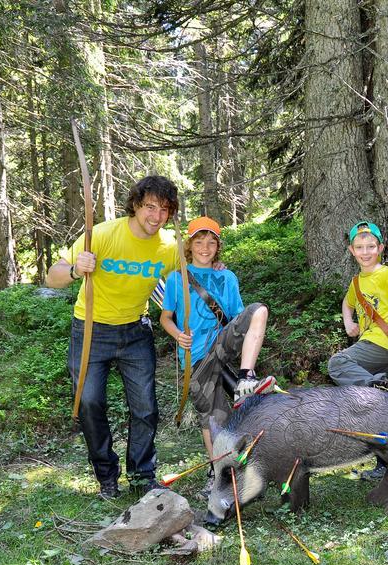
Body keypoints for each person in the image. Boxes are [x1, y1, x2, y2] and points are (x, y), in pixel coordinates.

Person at [46, 175, 180, 499]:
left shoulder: (170, 248)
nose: (156, 216)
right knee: (89, 403)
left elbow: (189, 283)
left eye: (163, 209)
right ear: (135, 205)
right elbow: (53, 278)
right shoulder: (102, 235)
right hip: (91, 330)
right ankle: (107, 476)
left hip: (136, 330)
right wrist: (77, 269)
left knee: (146, 407)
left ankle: (142, 476)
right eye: (149, 206)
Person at [160, 216, 274, 460]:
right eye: (199, 242)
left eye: (212, 243)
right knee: (212, 418)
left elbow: (239, 317)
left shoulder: (227, 277)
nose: (205, 248)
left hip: (222, 344)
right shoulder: (176, 278)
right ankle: (217, 471)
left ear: (218, 247)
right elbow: (165, 318)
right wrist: (178, 335)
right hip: (195, 356)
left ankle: (246, 378)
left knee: (259, 310)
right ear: (189, 246)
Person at [328, 220, 388, 480]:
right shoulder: (357, 282)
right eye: (359, 247)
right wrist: (349, 322)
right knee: (380, 411)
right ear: (351, 250)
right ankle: (387, 465)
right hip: (373, 345)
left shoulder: (387, 275)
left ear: (381, 247)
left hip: (384, 344)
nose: (365, 251)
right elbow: (347, 304)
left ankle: (381, 387)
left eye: (371, 246)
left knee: (337, 364)